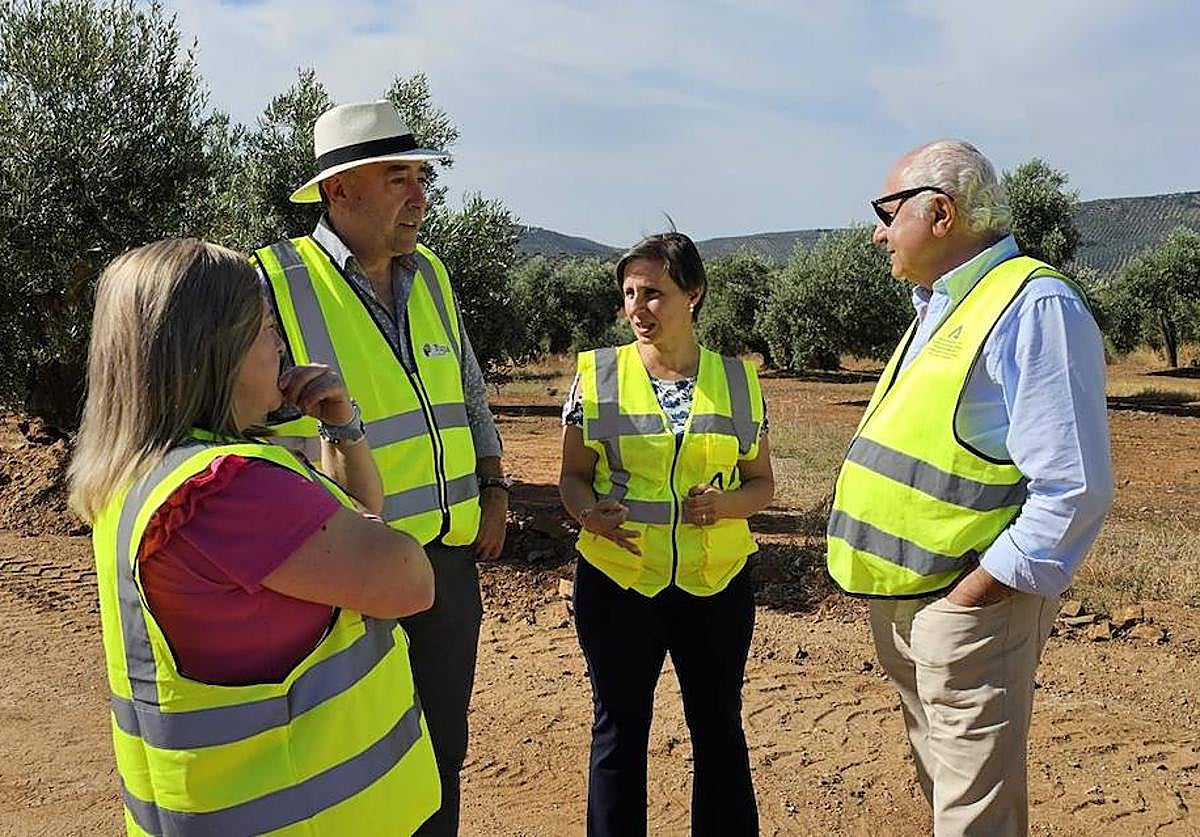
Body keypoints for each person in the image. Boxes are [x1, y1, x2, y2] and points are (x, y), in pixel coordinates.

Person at [69, 239, 441, 835]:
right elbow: (409, 579)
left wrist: (340, 426)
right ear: (215, 348)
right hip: (313, 816)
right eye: (267, 328)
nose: (280, 346)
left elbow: (356, 523)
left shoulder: (152, 472)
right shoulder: (228, 493)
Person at [826, 139, 1115, 836]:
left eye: (887, 212)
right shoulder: (941, 305)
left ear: (942, 212)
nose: (877, 231)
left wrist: (966, 603)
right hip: (908, 605)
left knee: (971, 818)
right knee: (948, 797)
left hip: (968, 609)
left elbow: (1073, 489)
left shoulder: (1033, 304)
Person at [253, 100, 508, 835]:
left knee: (440, 758)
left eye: (420, 178)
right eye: (398, 178)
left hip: (445, 576)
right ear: (339, 191)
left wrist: (494, 484)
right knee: (348, 763)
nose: (420, 197)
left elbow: (469, 390)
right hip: (340, 578)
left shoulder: (431, 276)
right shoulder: (272, 282)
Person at [559, 232, 775, 836]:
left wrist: (728, 504)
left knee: (718, 729)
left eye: (653, 292)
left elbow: (763, 485)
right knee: (618, 730)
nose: (636, 307)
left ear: (694, 294)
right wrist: (586, 514)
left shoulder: (738, 382)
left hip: (716, 585)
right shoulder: (597, 376)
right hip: (618, 582)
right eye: (628, 293)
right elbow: (573, 478)